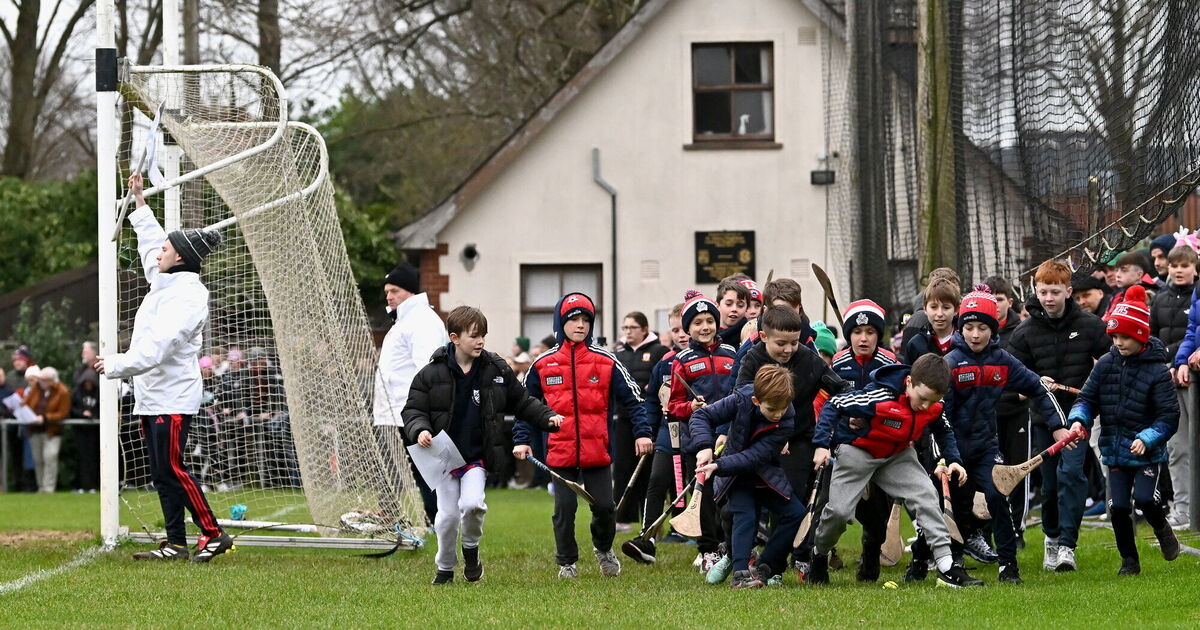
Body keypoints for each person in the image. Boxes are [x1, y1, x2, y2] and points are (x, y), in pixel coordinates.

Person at [95, 172, 232, 562]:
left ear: (181, 258)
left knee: (174, 468)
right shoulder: (167, 279)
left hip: (173, 396)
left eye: (167, 250)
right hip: (152, 395)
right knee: (161, 474)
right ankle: (175, 541)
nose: (159, 253)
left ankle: (213, 532)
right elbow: (151, 242)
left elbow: (158, 347)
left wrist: (118, 364)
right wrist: (139, 200)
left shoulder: (190, 297)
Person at [403, 306, 563, 584]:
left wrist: (548, 417)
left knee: (474, 505)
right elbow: (413, 410)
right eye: (474, 336)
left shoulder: (496, 369)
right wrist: (420, 430)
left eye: (483, 336)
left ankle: (471, 549)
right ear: (454, 338)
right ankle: (445, 567)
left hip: (476, 458)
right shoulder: (430, 373)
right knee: (447, 518)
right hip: (443, 460)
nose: (481, 342)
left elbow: (523, 402)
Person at [809, 354, 983, 588]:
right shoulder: (879, 395)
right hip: (858, 452)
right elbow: (835, 404)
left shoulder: (934, 404)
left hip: (897, 455)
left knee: (927, 496)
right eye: (922, 398)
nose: (925, 406)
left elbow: (943, 429)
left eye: (932, 401)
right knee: (839, 513)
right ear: (909, 382)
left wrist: (953, 459)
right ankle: (819, 555)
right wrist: (821, 445)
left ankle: (946, 566)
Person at [512, 292, 652, 579]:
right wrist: (521, 439)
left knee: (604, 506)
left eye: (586, 319)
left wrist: (642, 433)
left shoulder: (606, 360)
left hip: (596, 450)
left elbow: (634, 400)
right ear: (560, 322)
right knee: (564, 508)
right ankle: (567, 561)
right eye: (574, 319)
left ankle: (603, 549)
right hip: (559, 450)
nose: (581, 325)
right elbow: (525, 405)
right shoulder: (542, 364)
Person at [942, 284, 1069, 584]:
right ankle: (947, 558)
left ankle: (1008, 566)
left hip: (987, 448)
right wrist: (944, 456)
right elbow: (939, 415)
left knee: (998, 498)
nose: (975, 334)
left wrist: (1058, 425)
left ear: (993, 327)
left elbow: (1038, 387)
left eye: (982, 328)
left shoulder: (1002, 361)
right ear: (961, 327)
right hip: (955, 450)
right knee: (956, 505)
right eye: (969, 327)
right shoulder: (950, 364)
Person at [1068, 285, 1181, 575]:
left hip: (1146, 453)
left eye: (1125, 336)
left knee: (1144, 500)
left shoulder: (1157, 371)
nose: (1118, 341)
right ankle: (1129, 561)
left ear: (1140, 336)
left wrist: (1147, 438)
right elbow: (1087, 398)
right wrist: (1079, 419)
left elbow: (1169, 416)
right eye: (1114, 336)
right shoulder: (1105, 365)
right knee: (1117, 507)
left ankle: (1162, 528)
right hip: (1114, 450)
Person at [735, 305, 852, 579]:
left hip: (799, 440)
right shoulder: (752, 360)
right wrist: (770, 431)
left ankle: (769, 567)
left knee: (792, 505)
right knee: (741, 507)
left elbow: (842, 388)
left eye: (794, 342)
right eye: (781, 343)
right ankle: (734, 557)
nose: (788, 349)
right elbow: (740, 398)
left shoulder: (809, 360)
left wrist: (856, 411)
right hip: (757, 442)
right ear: (763, 336)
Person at [1007, 261, 1110, 571]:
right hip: (1042, 419)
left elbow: (1111, 360)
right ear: (1035, 293)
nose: (1048, 298)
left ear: (1068, 291)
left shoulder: (1091, 325)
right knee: (1050, 485)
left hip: (1079, 416)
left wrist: (1096, 383)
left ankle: (1068, 545)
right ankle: (1051, 539)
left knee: (1072, 476)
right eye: (1043, 292)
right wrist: (1034, 384)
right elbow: (1013, 381)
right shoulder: (1024, 333)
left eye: (1054, 292)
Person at [689, 365, 805, 589]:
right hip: (735, 475)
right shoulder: (740, 399)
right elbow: (701, 416)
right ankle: (740, 574)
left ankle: (765, 566)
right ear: (755, 400)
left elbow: (755, 457)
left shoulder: (788, 417)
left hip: (764, 471)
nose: (778, 414)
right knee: (745, 514)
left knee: (796, 514)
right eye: (772, 409)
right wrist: (704, 446)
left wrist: (718, 465)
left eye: (783, 408)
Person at [373, 260, 449, 524]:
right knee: (392, 471)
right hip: (394, 411)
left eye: (395, 291)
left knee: (424, 471)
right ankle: (391, 516)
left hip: (410, 412)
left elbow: (427, 368)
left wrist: (422, 412)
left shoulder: (422, 320)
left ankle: (434, 519)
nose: (390, 297)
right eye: (387, 292)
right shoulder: (404, 320)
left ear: (410, 292)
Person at [666, 291, 737, 573]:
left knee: (730, 498)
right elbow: (673, 406)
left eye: (709, 320)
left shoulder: (732, 354)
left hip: (730, 438)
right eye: (697, 323)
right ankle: (707, 549)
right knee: (704, 499)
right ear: (688, 328)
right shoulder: (681, 361)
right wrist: (691, 407)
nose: (705, 327)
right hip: (698, 441)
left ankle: (728, 546)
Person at [828, 299, 898, 581]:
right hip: (847, 445)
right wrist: (847, 420)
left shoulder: (890, 362)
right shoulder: (838, 362)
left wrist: (871, 418)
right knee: (847, 506)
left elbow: (896, 403)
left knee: (878, 514)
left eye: (870, 331)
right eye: (857, 332)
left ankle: (871, 552)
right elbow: (830, 402)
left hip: (880, 444)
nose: (863, 338)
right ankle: (820, 556)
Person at [1151, 245, 1197, 528]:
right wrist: (1163, 364)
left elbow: (1194, 334)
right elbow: (1152, 336)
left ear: (1195, 268)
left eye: (1184, 265)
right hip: (1168, 380)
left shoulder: (1198, 295)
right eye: (1174, 265)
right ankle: (1182, 509)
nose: (1178, 270)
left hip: (1192, 377)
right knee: (1177, 448)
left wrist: (1173, 358)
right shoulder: (1160, 300)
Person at [984, 275, 1030, 548]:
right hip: (986, 415)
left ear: (1009, 302)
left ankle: (1018, 530)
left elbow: (1027, 375)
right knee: (989, 473)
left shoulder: (1021, 332)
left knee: (1017, 470)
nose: (995, 305)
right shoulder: (975, 331)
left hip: (1016, 412)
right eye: (990, 300)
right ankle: (986, 528)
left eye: (999, 300)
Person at [613, 311, 669, 525]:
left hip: (649, 420)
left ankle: (650, 517)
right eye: (625, 328)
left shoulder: (658, 352)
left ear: (644, 329)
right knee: (622, 468)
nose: (627, 332)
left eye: (632, 327)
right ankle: (623, 518)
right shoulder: (619, 354)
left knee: (648, 470)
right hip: (625, 419)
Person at [22, 366, 70, 493]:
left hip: (52, 431)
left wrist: (45, 417)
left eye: (44, 380)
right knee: (38, 459)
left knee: (50, 457)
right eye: (40, 379)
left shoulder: (62, 391)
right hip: (35, 430)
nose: (41, 382)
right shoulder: (36, 390)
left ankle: (49, 488)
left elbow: (63, 413)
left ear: (52, 380)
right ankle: (41, 487)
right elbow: (25, 404)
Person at [901, 277, 960, 365]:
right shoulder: (916, 344)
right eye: (933, 307)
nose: (939, 313)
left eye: (946, 307)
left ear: (956, 310)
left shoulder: (965, 341)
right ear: (925, 308)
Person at [71, 365, 101, 492]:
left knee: (94, 458)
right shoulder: (77, 393)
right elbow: (71, 409)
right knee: (82, 458)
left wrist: (94, 415)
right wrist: (82, 413)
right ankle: (81, 485)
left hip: (95, 430)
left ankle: (94, 485)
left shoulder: (99, 393)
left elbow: (101, 408)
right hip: (81, 430)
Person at [715, 275, 752, 346]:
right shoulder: (707, 335)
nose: (734, 309)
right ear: (718, 305)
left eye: (740, 305)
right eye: (728, 304)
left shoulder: (752, 336)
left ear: (747, 308)